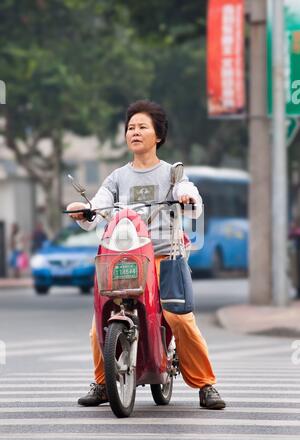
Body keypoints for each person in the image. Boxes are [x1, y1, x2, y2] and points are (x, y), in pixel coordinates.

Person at [67, 100, 226, 410]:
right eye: (130, 128)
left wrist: (185, 196)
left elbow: (192, 198)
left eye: (142, 127)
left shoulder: (171, 174)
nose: (134, 132)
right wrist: (85, 211)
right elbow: (98, 208)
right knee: (98, 322)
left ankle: (207, 385)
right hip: (126, 259)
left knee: (178, 319)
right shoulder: (116, 177)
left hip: (166, 259)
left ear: (158, 135)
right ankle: (102, 383)